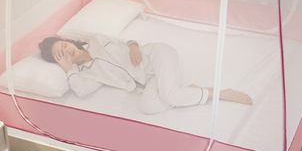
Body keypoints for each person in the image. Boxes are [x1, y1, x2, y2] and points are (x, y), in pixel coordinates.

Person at [39, 34, 252, 114]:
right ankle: (189, 91)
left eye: (64, 45)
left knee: (170, 96)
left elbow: (127, 40)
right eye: (61, 54)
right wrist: (68, 69)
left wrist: (133, 47)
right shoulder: (87, 75)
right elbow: (82, 91)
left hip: (156, 55)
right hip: (150, 79)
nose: (67, 50)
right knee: (147, 106)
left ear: (68, 41)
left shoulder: (95, 40)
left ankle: (219, 93)